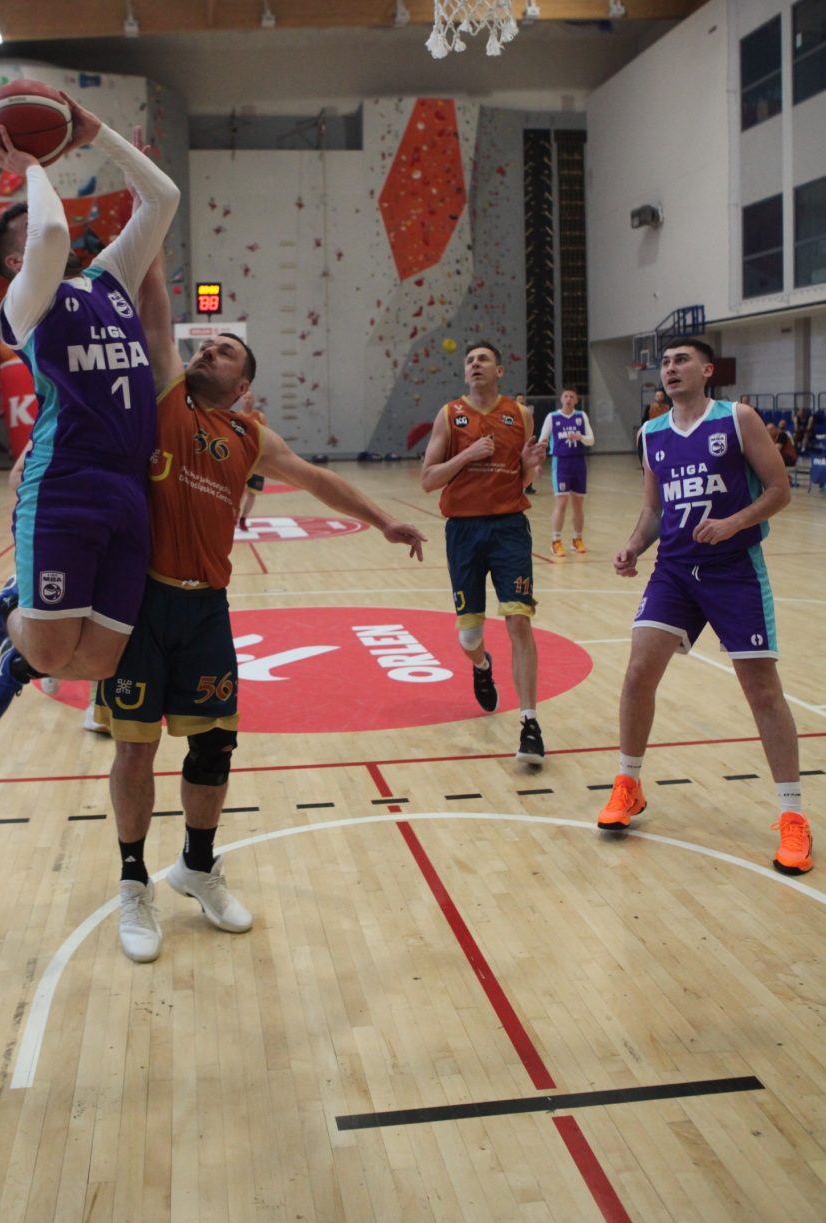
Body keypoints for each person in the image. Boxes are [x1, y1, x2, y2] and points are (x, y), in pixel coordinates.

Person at [96, 255, 427, 963]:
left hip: (206, 610)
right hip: (143, 604)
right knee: (135, 748)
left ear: (242, 384)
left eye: (223, 351)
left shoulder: (249, 437)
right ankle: (132, 883)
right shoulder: (166, 396)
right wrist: (153, 235)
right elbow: (155, 317)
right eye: (205, 346)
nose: (206, 351)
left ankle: (197, 867)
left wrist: (382, 520)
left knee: (214, 746)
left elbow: (314, 479)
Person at [0, 105, 180, 724]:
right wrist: (31, 168)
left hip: (129, 486)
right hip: (65, 484)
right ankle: (14, 614)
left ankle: (17, 651)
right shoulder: (23, 306)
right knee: (50, 649)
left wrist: (100, 135)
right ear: (15, 267)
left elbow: (163, 199)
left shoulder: (109, 278)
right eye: (26, 232)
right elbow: (51, 235)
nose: (45, 226)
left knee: (95, 662)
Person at [597, 338, 813, 875]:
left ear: (707, 370)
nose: (670, 368)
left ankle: (793, 817)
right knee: (638, 674)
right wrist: (633, 546)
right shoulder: (652, 432)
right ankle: (628, 784)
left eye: (682, 360)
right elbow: (654, 509)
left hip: (734, 570)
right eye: (666, 362)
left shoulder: (737, 419)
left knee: (762, 691)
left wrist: (733, 523)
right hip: (674, 570)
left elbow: (779, 489)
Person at [420, 342, 548, 763]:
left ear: (499, 370)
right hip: (463, 531)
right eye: (470, 361)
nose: (475, 365)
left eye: (483, 360)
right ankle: (481, 666)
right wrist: (468, 455)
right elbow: (428, 480)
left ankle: (529, 724)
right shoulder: (449, 415)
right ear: (465, 373)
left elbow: (523, 480)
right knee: (470, 636)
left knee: (519, 621)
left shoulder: (520, 414)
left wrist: (528, 465)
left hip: (509, 527)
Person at [539, 387, 595, 556]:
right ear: (561, 399)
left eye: (572, 396)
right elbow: (543, 440)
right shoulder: (552, 417)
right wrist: (537, 462)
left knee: (578, 504)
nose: (569, 399)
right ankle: (556, 541)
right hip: (561, 462)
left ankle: (577, 539)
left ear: (576, 400)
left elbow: (591, 440)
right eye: (566, 396)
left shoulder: (581, 416)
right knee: (562, 503)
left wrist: (581, 437)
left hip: (579, 462)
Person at [236, 387, 267, 531]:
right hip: (242, 461)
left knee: (253, 492)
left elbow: (267, 436)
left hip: (257, 460)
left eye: (249, 398)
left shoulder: (259, 417)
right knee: (239, 492)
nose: (247, 400)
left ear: (253, 400)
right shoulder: (236, 417)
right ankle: (234, 516)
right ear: (240, 400)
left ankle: (243, 519)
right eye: (244, 398)